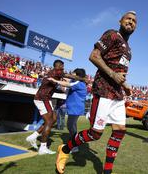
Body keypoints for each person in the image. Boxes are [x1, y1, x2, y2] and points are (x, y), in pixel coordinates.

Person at [55, 11, 137, 174]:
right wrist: (112, 74)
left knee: (120, 131)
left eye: (134, 21)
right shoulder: (112, 35)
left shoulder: (129, 50)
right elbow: (94, 56)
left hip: (118, 94)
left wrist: (125, 85)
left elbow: (119, 71)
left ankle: (107, 171)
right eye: (128, 18)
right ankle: (65, 149)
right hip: (104, 90)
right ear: (120, 21)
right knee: (95, 134)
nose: (131, 22)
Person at [26, 60, 66, 155]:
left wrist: (61, 91)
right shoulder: (56, 72)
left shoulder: (54, 73)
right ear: (58, 66)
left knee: (54, 119)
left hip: (46, 99)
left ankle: (33, 136)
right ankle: (43, 148)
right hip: (42, 99)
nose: (63, 68)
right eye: (62, 66)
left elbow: (52, 88)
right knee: (49, 121)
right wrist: (81, 78)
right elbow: (69, 77)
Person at [49, 68, 87, 153]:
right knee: (72, 126)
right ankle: (75, 143)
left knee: (70, 126)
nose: (71, 75)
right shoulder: (77, 83)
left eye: (73, 74)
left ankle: (74, 145)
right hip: (74, 108)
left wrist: (55, 80)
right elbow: (66, 87)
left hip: (75, 108)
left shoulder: (79, 83)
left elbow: (67, 84)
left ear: (77, 75)